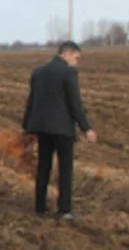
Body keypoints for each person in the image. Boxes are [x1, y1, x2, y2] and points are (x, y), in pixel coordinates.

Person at [22, 41, 98, 220]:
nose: (76, 62)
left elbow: (32, 100)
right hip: (62, 129)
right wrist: (86, 128)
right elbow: (75, 102)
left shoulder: (38, 72)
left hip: (41, 128)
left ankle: (40, 206)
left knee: (44, 166)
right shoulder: (68, 72)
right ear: (68, 53)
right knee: (65, 168)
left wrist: (26, 126)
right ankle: (64, 209)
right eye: (76, 58)